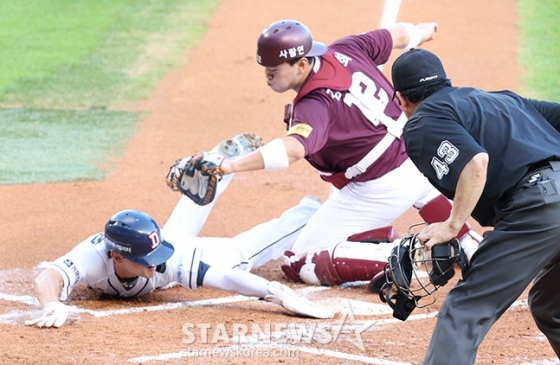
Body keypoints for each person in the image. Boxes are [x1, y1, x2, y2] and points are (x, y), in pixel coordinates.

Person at [183, 19, 481, 285]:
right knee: (418, 187)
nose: (268, 76)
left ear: (301, 64)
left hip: (379, 186)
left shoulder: (314, 105)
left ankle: (396, 255)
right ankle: (467, 241)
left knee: (299, 260)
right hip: (416, 156)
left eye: (274, 70)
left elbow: (293, 150)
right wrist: (420, 31)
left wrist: (231, 166)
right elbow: (395, 35)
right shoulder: (346, 49)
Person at [25, 134, 334, 328]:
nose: (155, 262)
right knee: (177, 232)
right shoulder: (94, 256)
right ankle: (216, 161)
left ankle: (307, 214)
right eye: (147, 259)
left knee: (237, 257)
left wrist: (272, 292)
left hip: (177, 243)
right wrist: (51, 304)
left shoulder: (164, 259)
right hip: (171, 239)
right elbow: (48, 278)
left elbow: (223, 277)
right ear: (117, 257)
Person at [391, 48, 560, 364]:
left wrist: (452, 225)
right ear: (446, 82)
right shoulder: (502, 100)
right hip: (546, 200)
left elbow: (474, 161)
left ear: (401, 100)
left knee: (465, 308)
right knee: (552, 305)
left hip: (541, 205)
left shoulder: (423, 120)